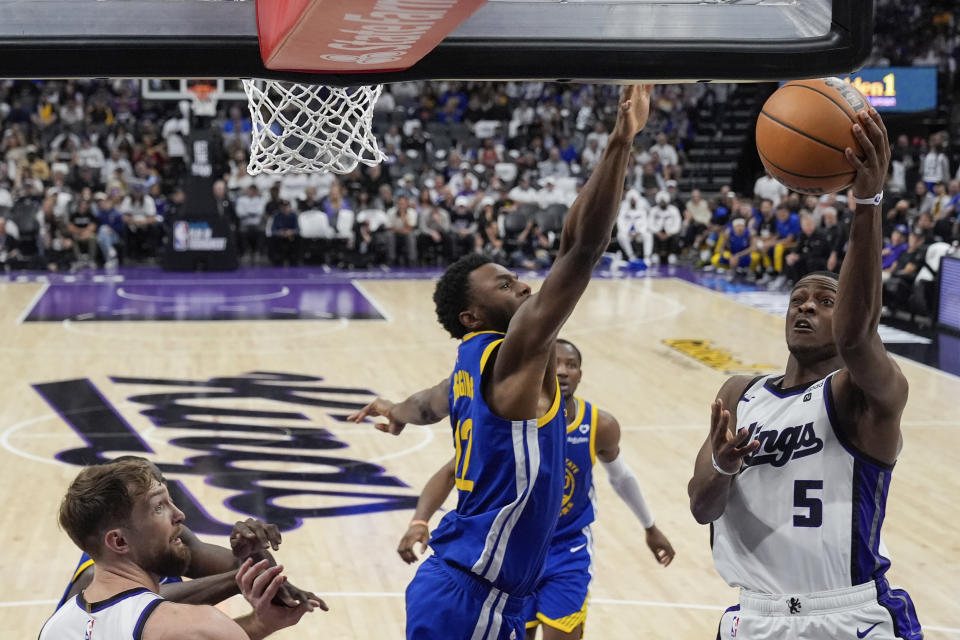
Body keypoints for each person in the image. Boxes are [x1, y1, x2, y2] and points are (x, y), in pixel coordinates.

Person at [347, 85, 654, 640]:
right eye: (506, 284)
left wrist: (396, 409)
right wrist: (620, 143)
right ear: (471, 314)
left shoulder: (471, 362)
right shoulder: (512, 355)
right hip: (471, 592)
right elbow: (581, 251)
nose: (525, 286)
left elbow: (426, 403)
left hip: (483, 588)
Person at [688, 107, 922, 639]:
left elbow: (858, 338)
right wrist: (723, 466)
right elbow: (702, 508)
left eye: (825, 299)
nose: (807, 306)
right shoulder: (740, 392)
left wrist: (867, 203)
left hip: (848, 615)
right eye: (798, 298)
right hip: (754, 618)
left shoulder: (861, 394)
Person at [390, 340, 675, 639]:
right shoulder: (514, 423)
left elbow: (622, 477)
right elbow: (451, 470)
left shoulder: (599, 424)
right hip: (515, 553)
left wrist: (650, 526)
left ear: (581, 374)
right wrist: (420, 520)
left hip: (568, 550)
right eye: (557, 364)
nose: (563, 372)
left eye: (572, 365)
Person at [40, 458, 321, 640]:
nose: (180, 515)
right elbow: (157, 612)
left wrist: (259, 621)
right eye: (158, 507)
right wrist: (239, 583)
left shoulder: (55, 629)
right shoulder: (199, 624)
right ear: (120, 541)